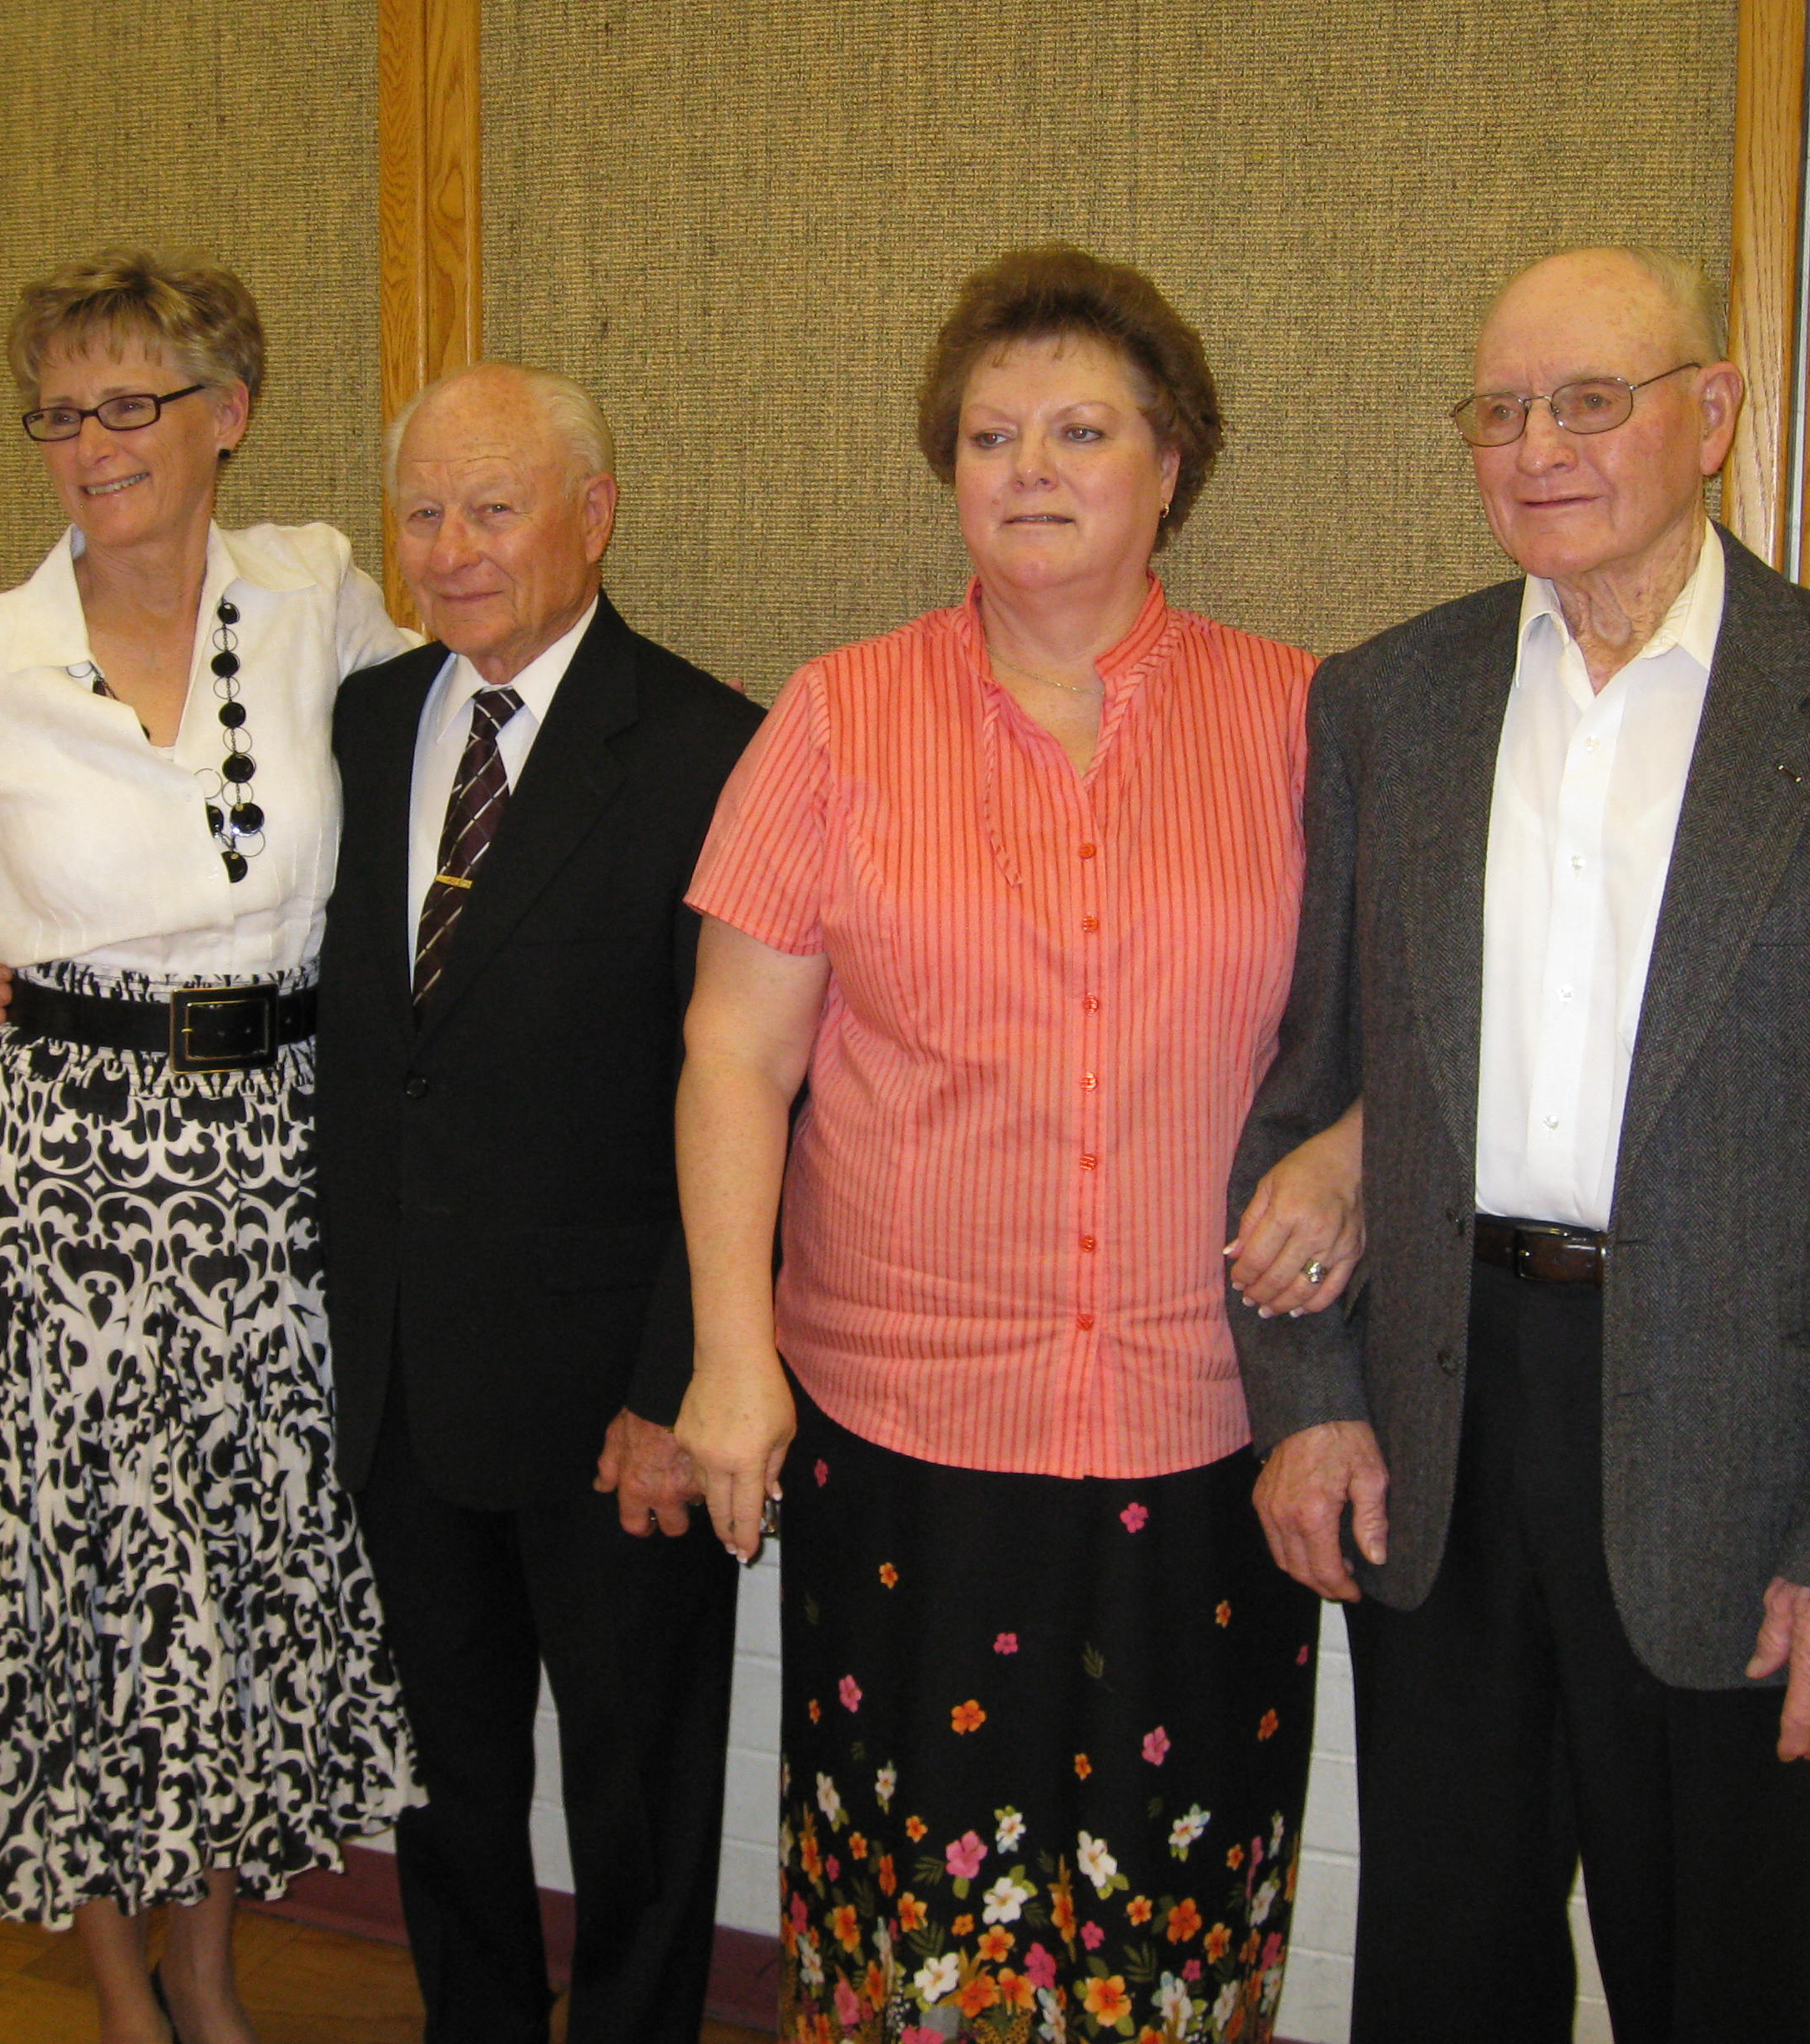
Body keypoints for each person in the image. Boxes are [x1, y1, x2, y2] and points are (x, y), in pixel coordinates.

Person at [1231, 245, 1810, 2043]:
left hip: (1752, 1466)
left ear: (1716, 414)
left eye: (1591, 401)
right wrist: (1308, 1405)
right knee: (1445, 1972)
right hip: (1443, 1431)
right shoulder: (1389, 701)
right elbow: (1309, 1091)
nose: (1539, 449)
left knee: (1719, 1982)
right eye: (1500, 411)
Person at [675, 244, 1360, 2044]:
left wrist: (1358, 1149)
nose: (1031, 470)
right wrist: (733, 1360)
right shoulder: (837, 717)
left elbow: (1421, 1022)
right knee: (916, 1895)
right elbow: (734, 1052)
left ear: (1171, 465)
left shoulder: (1305, 720)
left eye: (1081, 431)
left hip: (1204, 1421)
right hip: (907, 1427)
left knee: (1174, 1894)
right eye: (991, 437)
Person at [0, 248, 420, 2044]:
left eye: (129, 404)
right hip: (55, 1190)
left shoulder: (321, 598)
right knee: (81, 1592)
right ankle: (121, 1991)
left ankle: (212, 1972)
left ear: (226, 415)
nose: (92, 444)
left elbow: (436, 785)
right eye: (60, 412)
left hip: (281, 1167)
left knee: (234, 1578)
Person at [314, 362, 761, 2044]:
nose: (452, 550)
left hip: (611, 1407)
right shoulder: (366, 723)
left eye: (493, 510)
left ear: (595, 514)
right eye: (424, 512)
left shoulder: (710, 748)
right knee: (448, 1788)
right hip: (401, 1386)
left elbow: (748, 1093)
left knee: (640, 1798)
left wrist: (674, 1387)